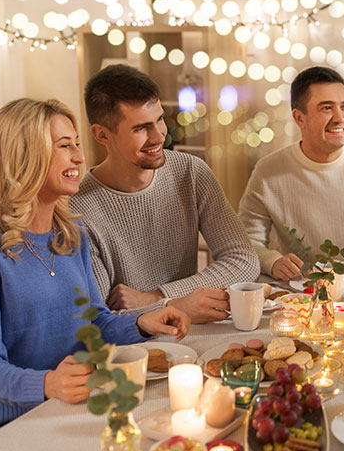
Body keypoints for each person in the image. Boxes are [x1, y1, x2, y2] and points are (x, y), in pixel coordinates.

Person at [0, 99, 190, 446]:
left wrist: (142, 322)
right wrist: (47, 384)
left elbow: (94, 325)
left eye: (76, 144)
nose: (79, 157)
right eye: (63, 146)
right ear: (24, 155)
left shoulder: (72, 235)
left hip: (63, 410)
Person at [70, 64, 260, 324]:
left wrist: (160, 298)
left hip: (192, 335)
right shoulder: (78, 209)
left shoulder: (191, 172)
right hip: (133, 350)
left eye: (160, 119)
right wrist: (178, 306)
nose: (159, 135)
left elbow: (244, 260)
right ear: (102, 134)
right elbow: (101, 317)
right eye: (140, 128)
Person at [238, 66, 344, 279]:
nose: (339, 118)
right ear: (299, 118)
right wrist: (272, 261)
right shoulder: (268, 171)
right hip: (299, 295)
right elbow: (246, 242)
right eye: (327, 108)